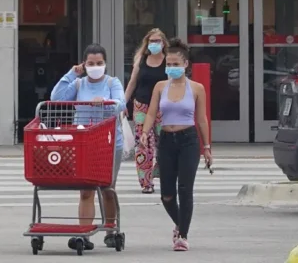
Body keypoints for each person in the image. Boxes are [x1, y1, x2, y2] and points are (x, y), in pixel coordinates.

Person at [51, 44, 126, 251]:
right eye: (91, 63)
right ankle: (83, 234)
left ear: (105, 64)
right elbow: (56, 98)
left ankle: (111, 230)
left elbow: (121, 103)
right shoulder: (78, 84)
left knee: (107, 188)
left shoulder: (112, 82)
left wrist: (105, 101)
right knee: (86, 191)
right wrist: (70, 74)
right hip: (85, 141)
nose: (95, 67)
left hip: (110, 142)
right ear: (84, 64)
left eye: (99, 63)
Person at [141, 38, 212, 251]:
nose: (171, 68)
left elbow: (201, 119)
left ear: (185, 65)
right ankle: (180, 223)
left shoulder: (197, 88)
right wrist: (145, 132)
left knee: (185, 189)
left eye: (175, 64)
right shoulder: (160, 87)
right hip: (166, 140)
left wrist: (206, 147)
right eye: (168, 65)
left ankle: (182, 235)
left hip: (188, 140)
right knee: (167, 194)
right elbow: (152, 112)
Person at [123, 29, 168, 193]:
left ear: (163, 43)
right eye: (151, 41)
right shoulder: (141, 60)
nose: (154, 44)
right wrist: (123, 104)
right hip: (142, 106)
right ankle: (146, 183)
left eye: (157, 41)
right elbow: (132, 83)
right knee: (143, 145)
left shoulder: (168, 62)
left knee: (164, 143)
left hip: (163, 107)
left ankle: (162, 173)